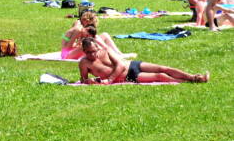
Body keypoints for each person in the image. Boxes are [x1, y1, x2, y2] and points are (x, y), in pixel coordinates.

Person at [79, 37, 209, 84]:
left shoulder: (105, 51)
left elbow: (119, 64)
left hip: (131, 65)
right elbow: (83, 80)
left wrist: (110, 80)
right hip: (129, 76)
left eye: (94, 50)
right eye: (89, 52)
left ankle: (193, 77)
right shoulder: (84, 63)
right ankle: (188, 82)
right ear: (84, 52)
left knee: (164, 68)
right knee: (160, 76)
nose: (92, 54)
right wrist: (89, 81)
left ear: (97, 47)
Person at [61, 12, 134, 60]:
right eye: (89, 26)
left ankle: (118, 53)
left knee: (104, 35)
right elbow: (67, 47)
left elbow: (65, 39)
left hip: (71, 50)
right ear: (86, 22)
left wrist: (79, 43)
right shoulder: (78, 30)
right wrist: (79, 44)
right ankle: (111, 55)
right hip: (66, 54)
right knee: (90, 43)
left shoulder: (80, 28)